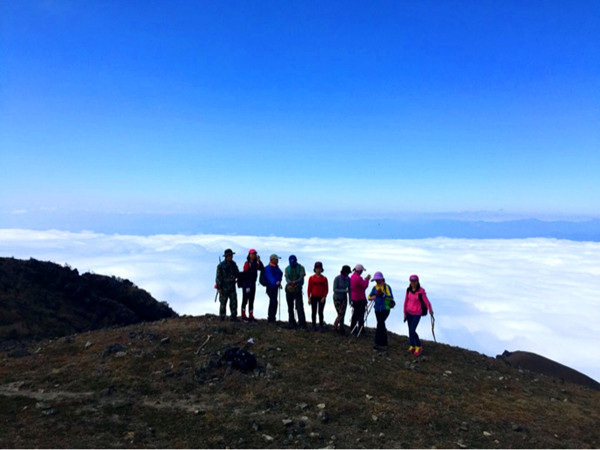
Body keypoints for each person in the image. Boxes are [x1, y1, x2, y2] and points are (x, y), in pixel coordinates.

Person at [404, 274, 434, 356]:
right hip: (409, 312)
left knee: (412, 330)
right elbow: (406, 301)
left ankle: (418, 346)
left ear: (417, 281)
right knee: (410, 329)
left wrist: (430, 310)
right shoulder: (408, 290)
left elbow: (426, 302)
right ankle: (412, 345)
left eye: (414, 281)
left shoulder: (421, 291)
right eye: (411, 281)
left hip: (417, 313)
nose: (413, 283)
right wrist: (404, 313)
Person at [368, 272, 395, 350]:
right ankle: (383, 343)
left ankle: (378, 343)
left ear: (381, 279)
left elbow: (391, 297)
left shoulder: (387, 287)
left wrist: (383, 295)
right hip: (377, 309)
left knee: (380, 324)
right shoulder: (375, 288)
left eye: (377, 280)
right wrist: (371, 297)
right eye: (376, 280)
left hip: (385, 309)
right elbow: (369, 297)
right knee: (381, 324)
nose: (376, 281)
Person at [215, 249, 240, 321]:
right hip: (224, 287)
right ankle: (222, 316)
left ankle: (233, 316)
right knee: (223, 303)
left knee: (234, 302)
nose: (231, 257)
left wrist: (234, 277)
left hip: (232, 286)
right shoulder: (220, 266)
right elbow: (218, 277)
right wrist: (219, 287)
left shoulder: (233, 264)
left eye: (231, 255)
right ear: (226, 256)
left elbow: (237, 273)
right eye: (229, 255)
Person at [240, 249, 264, 322]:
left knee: (251, 300)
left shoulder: (255, 263)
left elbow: (262, 268)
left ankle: (250, 316)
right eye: (252, 254)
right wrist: (247, 286)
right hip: (247, 284)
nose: (254, 255)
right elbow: (245, 274)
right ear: (249, 255)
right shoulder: (247, 263)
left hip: (252, 284)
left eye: (255, 254)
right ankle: (243, 316)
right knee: (245, 300)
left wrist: (259, 261)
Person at [284, 255, 307, 329]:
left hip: (297, 289)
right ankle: (292, 322)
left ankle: (301, 323)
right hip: (290, 289)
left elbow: (301, 278)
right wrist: (291, 283)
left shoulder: (300, 268)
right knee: (290, 307)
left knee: (299, 306)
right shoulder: (287, 269)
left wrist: (293, 283)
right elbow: (287, 278)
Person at [350, 264, 371, 335]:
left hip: (353, 298)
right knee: (361, 314)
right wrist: (367, 280)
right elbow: (364, 286)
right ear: (360, 271)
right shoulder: (359, 278)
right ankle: (360, 329)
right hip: (360, 299)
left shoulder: (352, 277)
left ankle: (353, 328)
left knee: (355, 314)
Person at [307, 261, 329, 331]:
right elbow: (309, 289)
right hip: (314, 297)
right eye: (317, 268)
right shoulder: (311, 278)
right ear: (315, 269)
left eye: (319, 268)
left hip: (321, 297)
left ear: (321, 269)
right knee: (313, 312)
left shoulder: (324, 279)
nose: (318, 270)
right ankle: (314, 325)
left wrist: (324, 297)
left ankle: (321, 325)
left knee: (320, 312)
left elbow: (326, 289)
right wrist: (309, 298)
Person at [263, 254, 283, 323]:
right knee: (273, 301)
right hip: (270, 287)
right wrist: (276, 282)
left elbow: (280, 274)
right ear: (272, 259)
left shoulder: (276, 268)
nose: (277, 260)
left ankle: (272, 317)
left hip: (275, 287)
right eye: (276, 259)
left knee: (274, 301)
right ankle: (271, 318)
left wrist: (278, 282)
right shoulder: (268, 268)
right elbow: (269, 277)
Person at [332, 265, 352, 335]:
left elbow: (350, 290)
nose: (348, 274)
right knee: (340, 314)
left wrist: (350, 301)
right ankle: (336, 327)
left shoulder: (348, 279)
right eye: (347, 272)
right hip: (337, 298)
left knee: (343, 313)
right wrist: (344, 291)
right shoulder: (337, 279)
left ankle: (341, 328)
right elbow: (334, 289)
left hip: (344, 299)